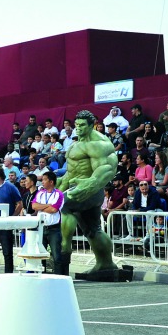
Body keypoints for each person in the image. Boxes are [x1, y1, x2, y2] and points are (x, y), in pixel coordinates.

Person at [56, 110, 118, 278]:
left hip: (90, 190)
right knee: (93, 229)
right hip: (78, 187)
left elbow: (105, 169)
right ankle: (105, 264)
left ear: (92, 125)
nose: (79, 128)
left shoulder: (98, 144)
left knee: (62, 206)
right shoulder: (76, 143)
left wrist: (91, 184)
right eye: (77, 125)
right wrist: (59, 185)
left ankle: (63, 249)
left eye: (83, 125)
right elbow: (72, 172)